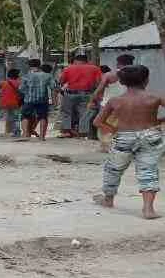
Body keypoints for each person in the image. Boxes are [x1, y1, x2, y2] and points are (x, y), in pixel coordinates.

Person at [93, 64, 165, 219]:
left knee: (113, 168)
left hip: (124, 136)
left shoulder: (115, 101)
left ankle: (108, 199)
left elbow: (98, 122)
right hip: (150, 135)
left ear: (122, 82)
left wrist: (114, 130)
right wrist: (158, 121)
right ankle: (148, 209)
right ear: (146, 80)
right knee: (148, 170)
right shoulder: (155, 97)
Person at [87, 54, 134, 150]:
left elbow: (99, 89)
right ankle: (122, 144)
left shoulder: (109, 75)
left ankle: (106, 145)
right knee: (124, 123)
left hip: (108, 104)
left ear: (118, 64)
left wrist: (92, 101)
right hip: (127, 103)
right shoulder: (135, 75)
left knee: (103, 123)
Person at [57, 52, 103, 138]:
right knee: (84, 114)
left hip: (70, 93)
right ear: (86, 61)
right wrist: (97, 96)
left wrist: (61, 91)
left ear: (75, 60)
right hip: (87, 94)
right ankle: (83, 133)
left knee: (66, 113)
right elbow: (99, 83)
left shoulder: (68, 68)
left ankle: (66, 132)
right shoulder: (95, 68)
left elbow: (61, 81)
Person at [19, 59, 54, 141]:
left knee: (25, 116)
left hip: (29, 100)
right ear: (39, 65)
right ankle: (42, 137)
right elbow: (53, 87)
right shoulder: (47, 75)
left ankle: (25, 135)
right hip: (42, 100)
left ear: (29, 66)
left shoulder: (26, 76)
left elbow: (21, 89)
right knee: (43, 117)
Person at [0, 68, 22, 137]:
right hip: (14, 103)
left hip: (3, 103)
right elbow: (21, 93)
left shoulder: (3, 83)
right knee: (16, 119)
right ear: (17, 76)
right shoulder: (18, 83)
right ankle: (17, 133)